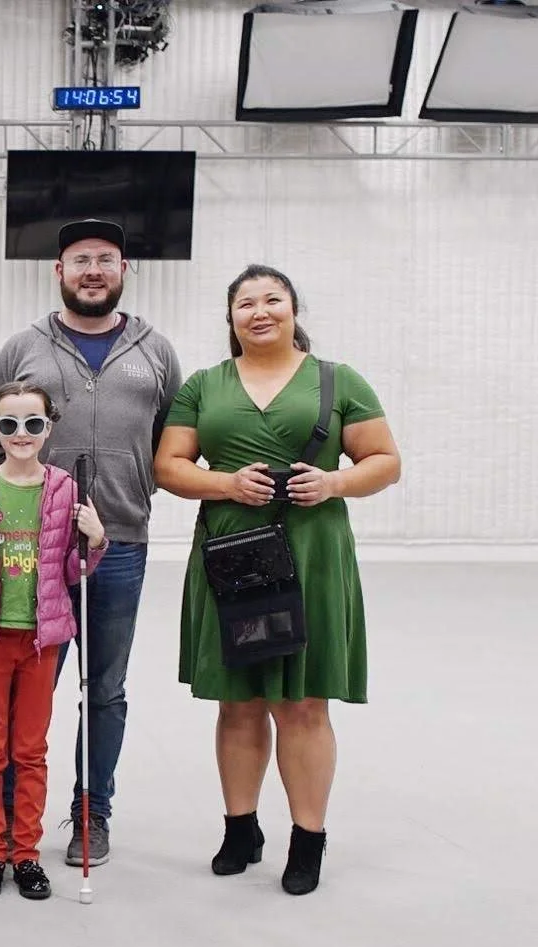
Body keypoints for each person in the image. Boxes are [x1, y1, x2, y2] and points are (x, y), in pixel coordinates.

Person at [154, 264, 400, 895]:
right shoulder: (204, 385)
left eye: (272, 300)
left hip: (312, 552)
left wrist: (336, 481)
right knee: (237, 701)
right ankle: (240, 828)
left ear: (294, 310)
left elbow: (385, 461)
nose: (259, 311)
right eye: (246, 303)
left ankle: (307, 838)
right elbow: (169, 466)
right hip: (232, 552)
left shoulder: (339, 381)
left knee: (303, 701)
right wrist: (226, 483)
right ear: (230, 317)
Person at [0, 218, 182, 868]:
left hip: (120, 543)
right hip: (32, 547)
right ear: (59, 272)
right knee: (28, 685)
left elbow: (171, 438)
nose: (92, 270)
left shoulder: (157, 351)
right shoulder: (22, 348)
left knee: (104, 688)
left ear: (124, 269)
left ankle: (91, 811)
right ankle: (11, 816)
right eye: (80, 260)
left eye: (105, 259)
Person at [0, 383, 107, 900]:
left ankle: (27, 854)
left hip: (42, 640)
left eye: (32, 424)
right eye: (9, 424)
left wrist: (95, 539)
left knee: (31, 751)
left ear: (48, 428)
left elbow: (73, 571)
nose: (21, 434)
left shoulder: (64, 488)